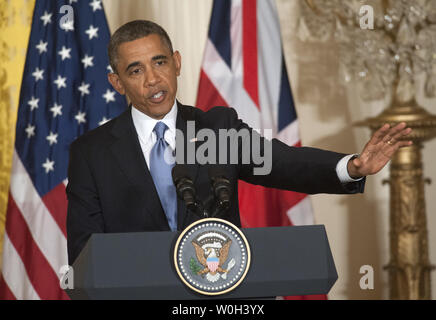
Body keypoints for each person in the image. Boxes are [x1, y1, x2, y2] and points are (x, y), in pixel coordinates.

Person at [66, 20, 412, 265]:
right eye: (136, 70)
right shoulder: (92, 153)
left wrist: (350, 167)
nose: (153, 79)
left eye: (160, 62)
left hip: (222, 297)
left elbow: (282, 162)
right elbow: (86, 252)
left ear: (177, 63)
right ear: (117, 82)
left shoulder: (215, 129)